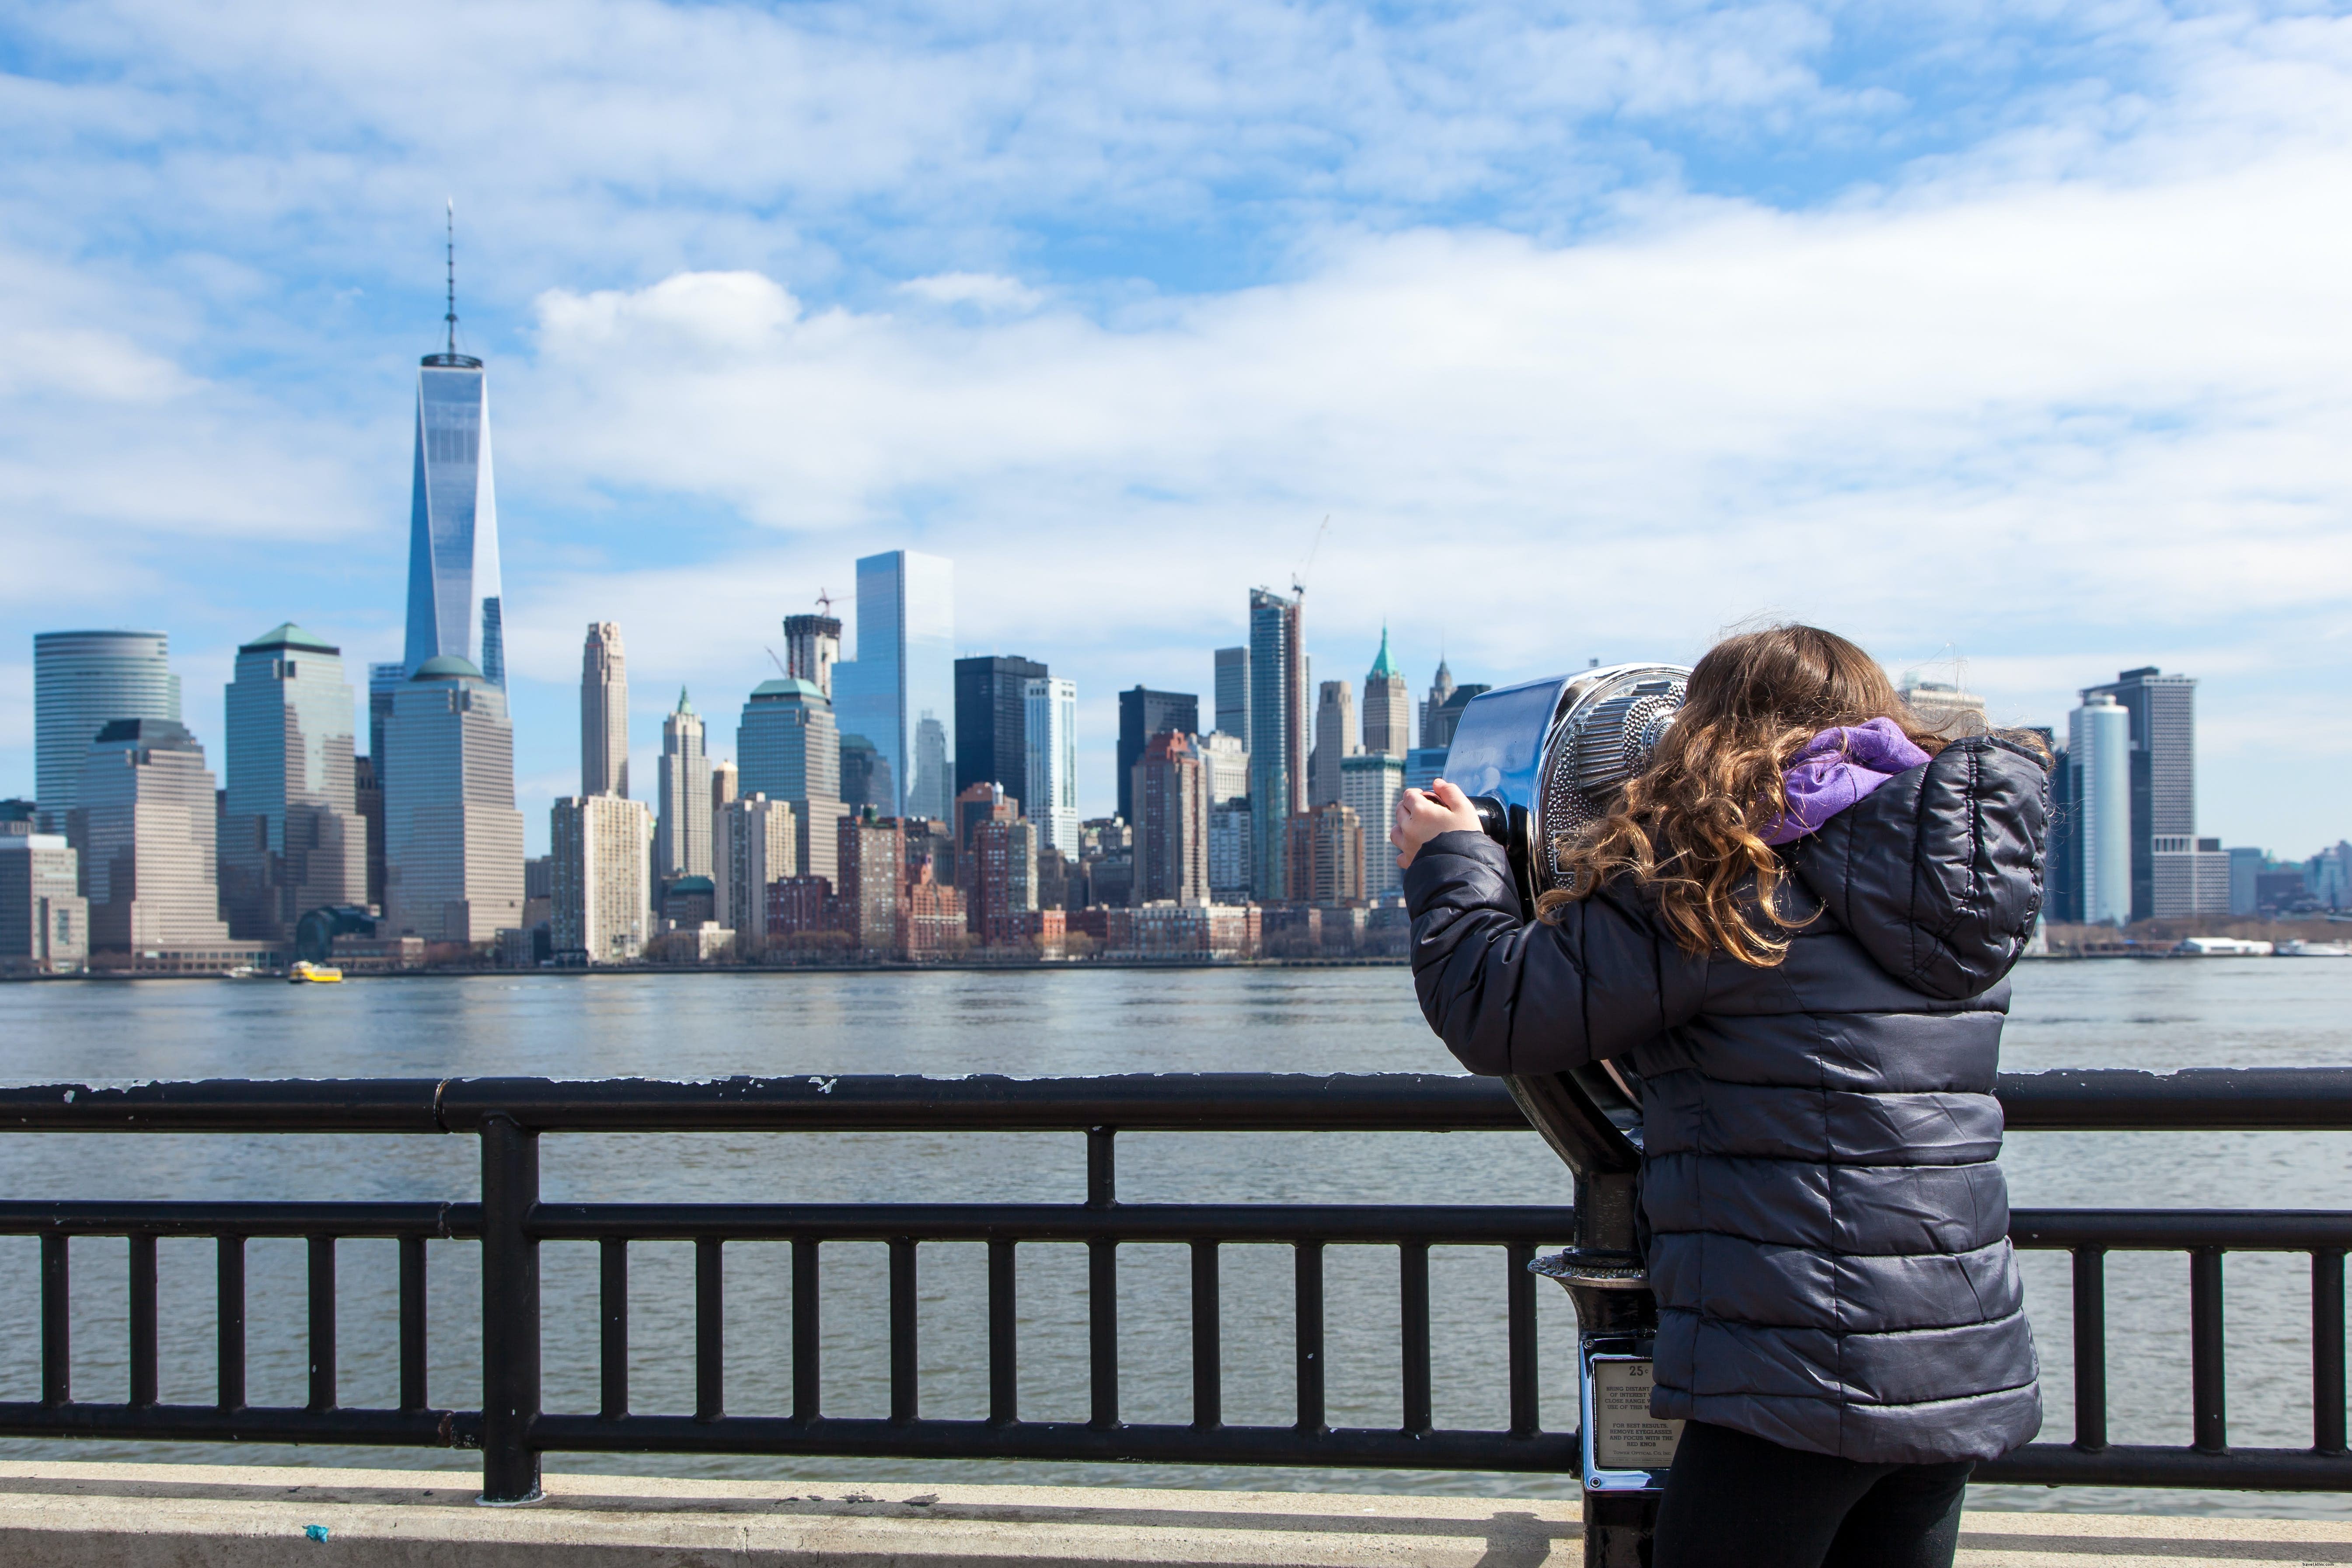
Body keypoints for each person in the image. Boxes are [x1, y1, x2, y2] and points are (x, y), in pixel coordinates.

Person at [1392, 625, 2046, 1568]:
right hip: (1953, 1359)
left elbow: (1499, 1010)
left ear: (1706, 731)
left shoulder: (1718, 883)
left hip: (1797, 1366)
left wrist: (1456, 860)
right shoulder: (1947, 888)